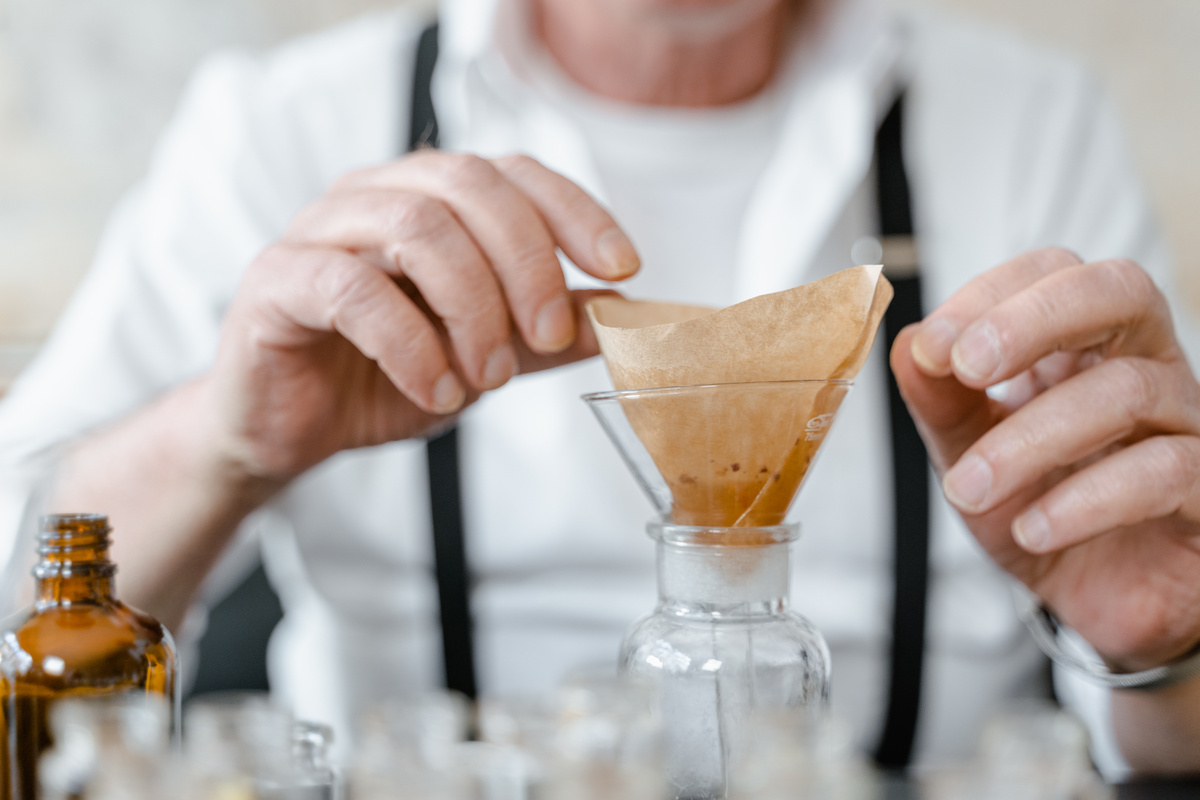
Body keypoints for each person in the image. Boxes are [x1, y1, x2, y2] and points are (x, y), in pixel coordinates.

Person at [0, 0, 1197, 775]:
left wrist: (1169, 645)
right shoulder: (283, 125)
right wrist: (221, 441)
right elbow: (15, 630)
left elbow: (1165, 699)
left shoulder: (1033, 124)